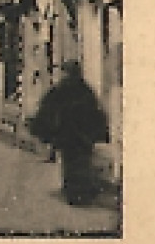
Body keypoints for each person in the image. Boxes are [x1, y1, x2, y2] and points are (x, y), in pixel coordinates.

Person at [26, 61, 110, 205]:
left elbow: (49, 107)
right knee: (82, 163)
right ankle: (82, 193)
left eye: (64, 72)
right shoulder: (85, 90)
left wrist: (41, 126)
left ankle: (73, 193)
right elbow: (96, 111)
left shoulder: (62, 89)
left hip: (69, 135)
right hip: (83, 136)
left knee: (70, 163)